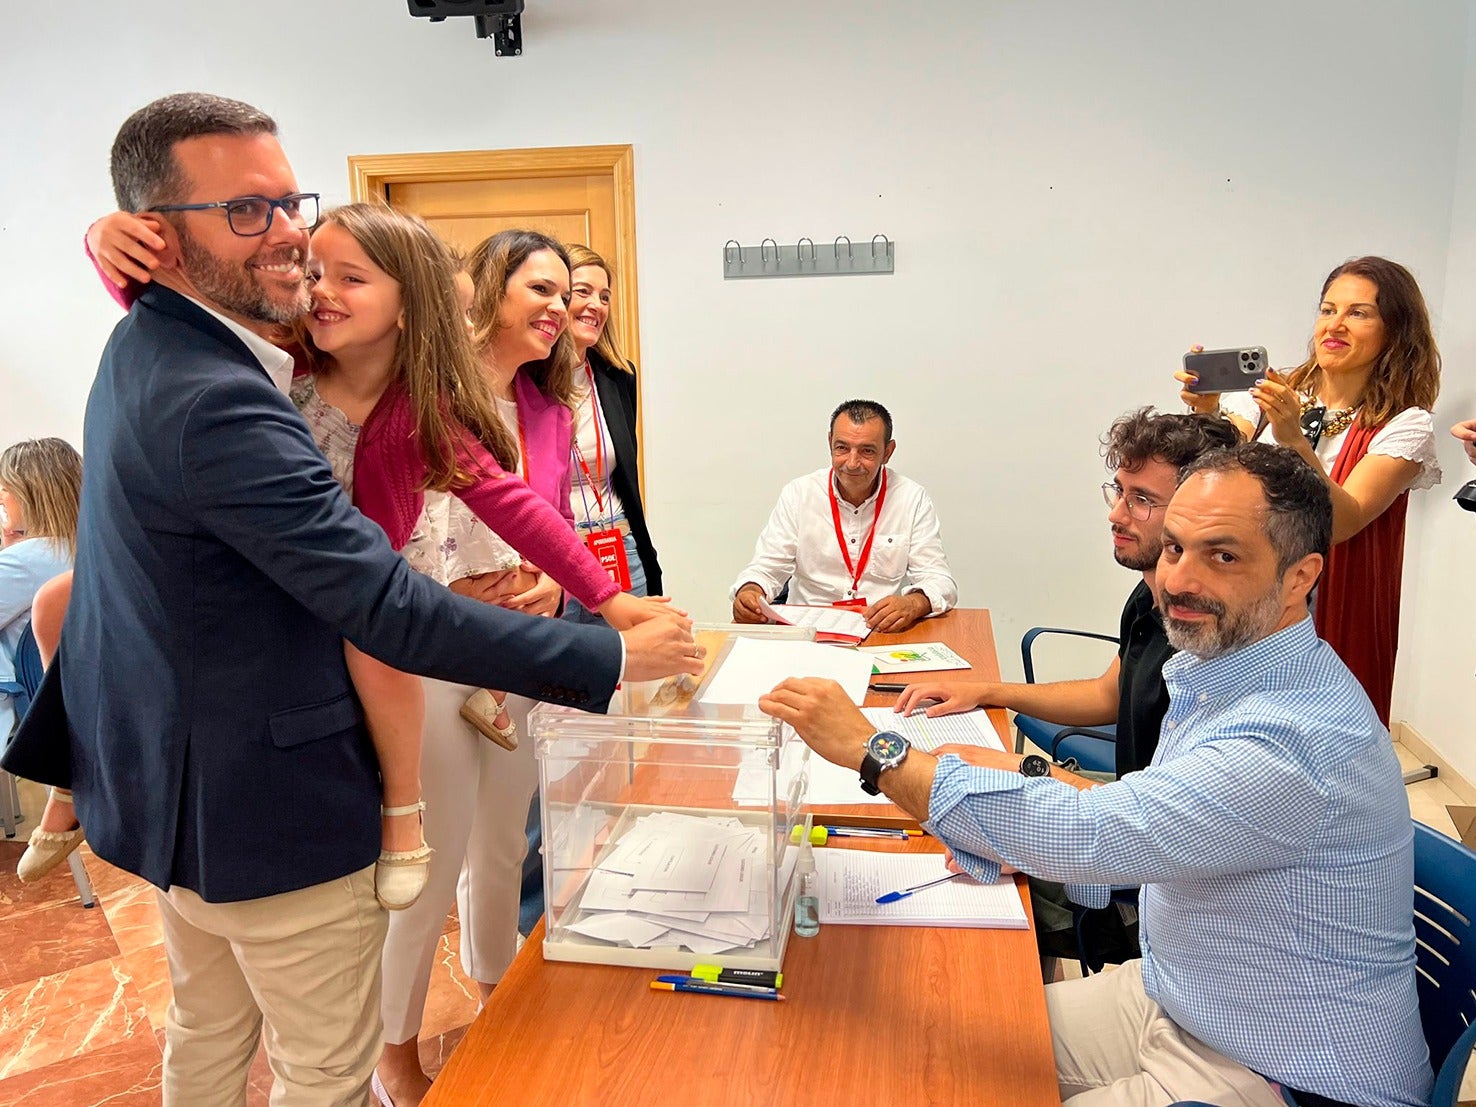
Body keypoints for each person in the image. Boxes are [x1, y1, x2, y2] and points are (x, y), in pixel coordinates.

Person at [1, 92, 702, 1107]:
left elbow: (502, 499)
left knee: (208, 1030)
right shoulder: (248, 384)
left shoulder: (279, 371)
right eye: (256, 213)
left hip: (220, 750)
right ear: (167, 233)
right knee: (318, 1065)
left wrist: (599, 592)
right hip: (277, 755)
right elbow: (385, 603)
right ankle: (382, 834)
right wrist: (602, 650)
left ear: (409, 305)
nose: (295, 250)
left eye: (293, 206)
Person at [762, 443, 1432, 1107]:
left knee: (945, 1066)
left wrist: (877, 753)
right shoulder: (1223, 669)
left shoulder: (1291, 738)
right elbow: (1138, 809)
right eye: (1174, 548)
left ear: (1298, 576)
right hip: (1182, 995)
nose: (1178, 579)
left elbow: (1091, 836)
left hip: (1281, 1068)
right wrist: (1001, 780)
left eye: (1222, 555)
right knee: (926, 1054)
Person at [895, 408, 1238, 966]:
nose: (1116, 513)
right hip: (1123, 809)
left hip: (1155, 863)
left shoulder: (1210, 641)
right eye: (1119, 491)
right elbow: (1109, 695)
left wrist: (1024, 771)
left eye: (1141, 500)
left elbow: (1154, 823)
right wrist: (990, 692)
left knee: (959, 860)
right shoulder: (1151, 599)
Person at [1177, 256, 1442, 724]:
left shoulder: (1406, 425)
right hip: (1240, 588)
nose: (1335, 324)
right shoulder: (1271, 394)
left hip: (1326, 606)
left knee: (1302, 725)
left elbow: (1342, 521)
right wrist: (1208, 413)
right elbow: (1210, 478)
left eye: (1358, 312)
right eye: (1327, 309)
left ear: (1395, 330)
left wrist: (1294, 438)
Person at [731, 399, 957, 633]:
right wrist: (750, 590)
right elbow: (766, 567)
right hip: (807, 631)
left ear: (887, 452)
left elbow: (939, 580)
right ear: (830, 443)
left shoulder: (911, 498)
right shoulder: (799, 494)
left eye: (867, 451)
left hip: (878, 631)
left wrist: (914, 602)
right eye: (842, 448)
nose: (852, 462)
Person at [559, 242, 663, 621]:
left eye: (604, 296)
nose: (597, 305)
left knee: (634, 672)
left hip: (621, 548)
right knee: (564, 677)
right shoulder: (522, 383)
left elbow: (623, 476)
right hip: (557, 558)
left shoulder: (619, 377)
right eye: (583, 291)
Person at [0, 439, 83, 882]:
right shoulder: (93, 544)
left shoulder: (26, 560)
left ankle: (67, 788)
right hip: (76, 702)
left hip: (30, 706)